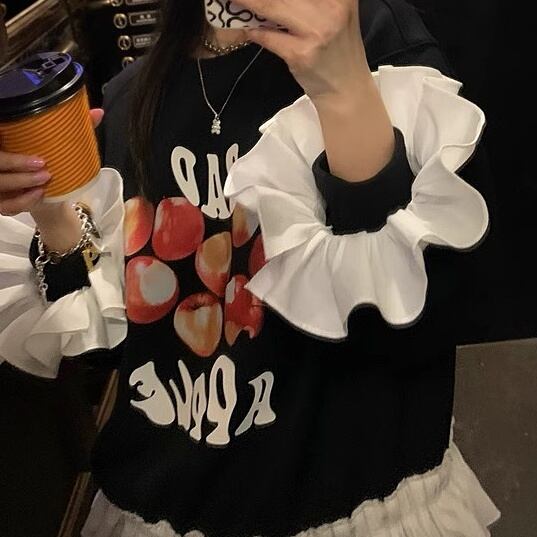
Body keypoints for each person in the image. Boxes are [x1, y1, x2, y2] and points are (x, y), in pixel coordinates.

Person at [0, 0, 500, 535]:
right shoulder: (130, 98)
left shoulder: (380, 45)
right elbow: (117, 344)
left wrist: (344, 92)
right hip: (158, 503)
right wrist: (50, 211)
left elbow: (428, 316)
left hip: (355, 502)